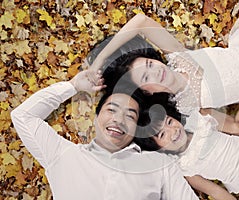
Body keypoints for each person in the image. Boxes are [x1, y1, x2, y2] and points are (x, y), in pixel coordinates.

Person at [10, 69, 200, 200]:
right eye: (112, 110)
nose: (118, 119)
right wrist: (73, 86)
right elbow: (23, 116)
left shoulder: (160, 166)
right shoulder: (62, 155)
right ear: (96, 117)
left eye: (130, 115)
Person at [88, 14, 239, 125]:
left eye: (151, 64)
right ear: (146, 91)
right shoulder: (187, 107)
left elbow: (142, 22)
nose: (156, 70)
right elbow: (238, 124)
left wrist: (102, 59)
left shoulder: (177, 56)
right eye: (146, 76)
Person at [134, 103, 239, 200]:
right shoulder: (184, 166)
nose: (172, 131)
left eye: (170, 122)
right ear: (158, 148)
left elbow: (235, 128)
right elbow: (214, 190)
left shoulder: (199, 122)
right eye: (163, 134)